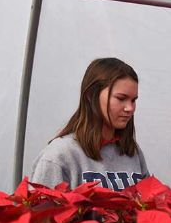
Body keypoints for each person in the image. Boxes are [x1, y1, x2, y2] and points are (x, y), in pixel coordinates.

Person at [30, 57, 149, 191]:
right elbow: (42, 210)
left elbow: (151, 205)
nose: (130, 108)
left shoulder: (133, 153)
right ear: (91, 96)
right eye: (121, 98)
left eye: (133, 100)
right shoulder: (59, 156)